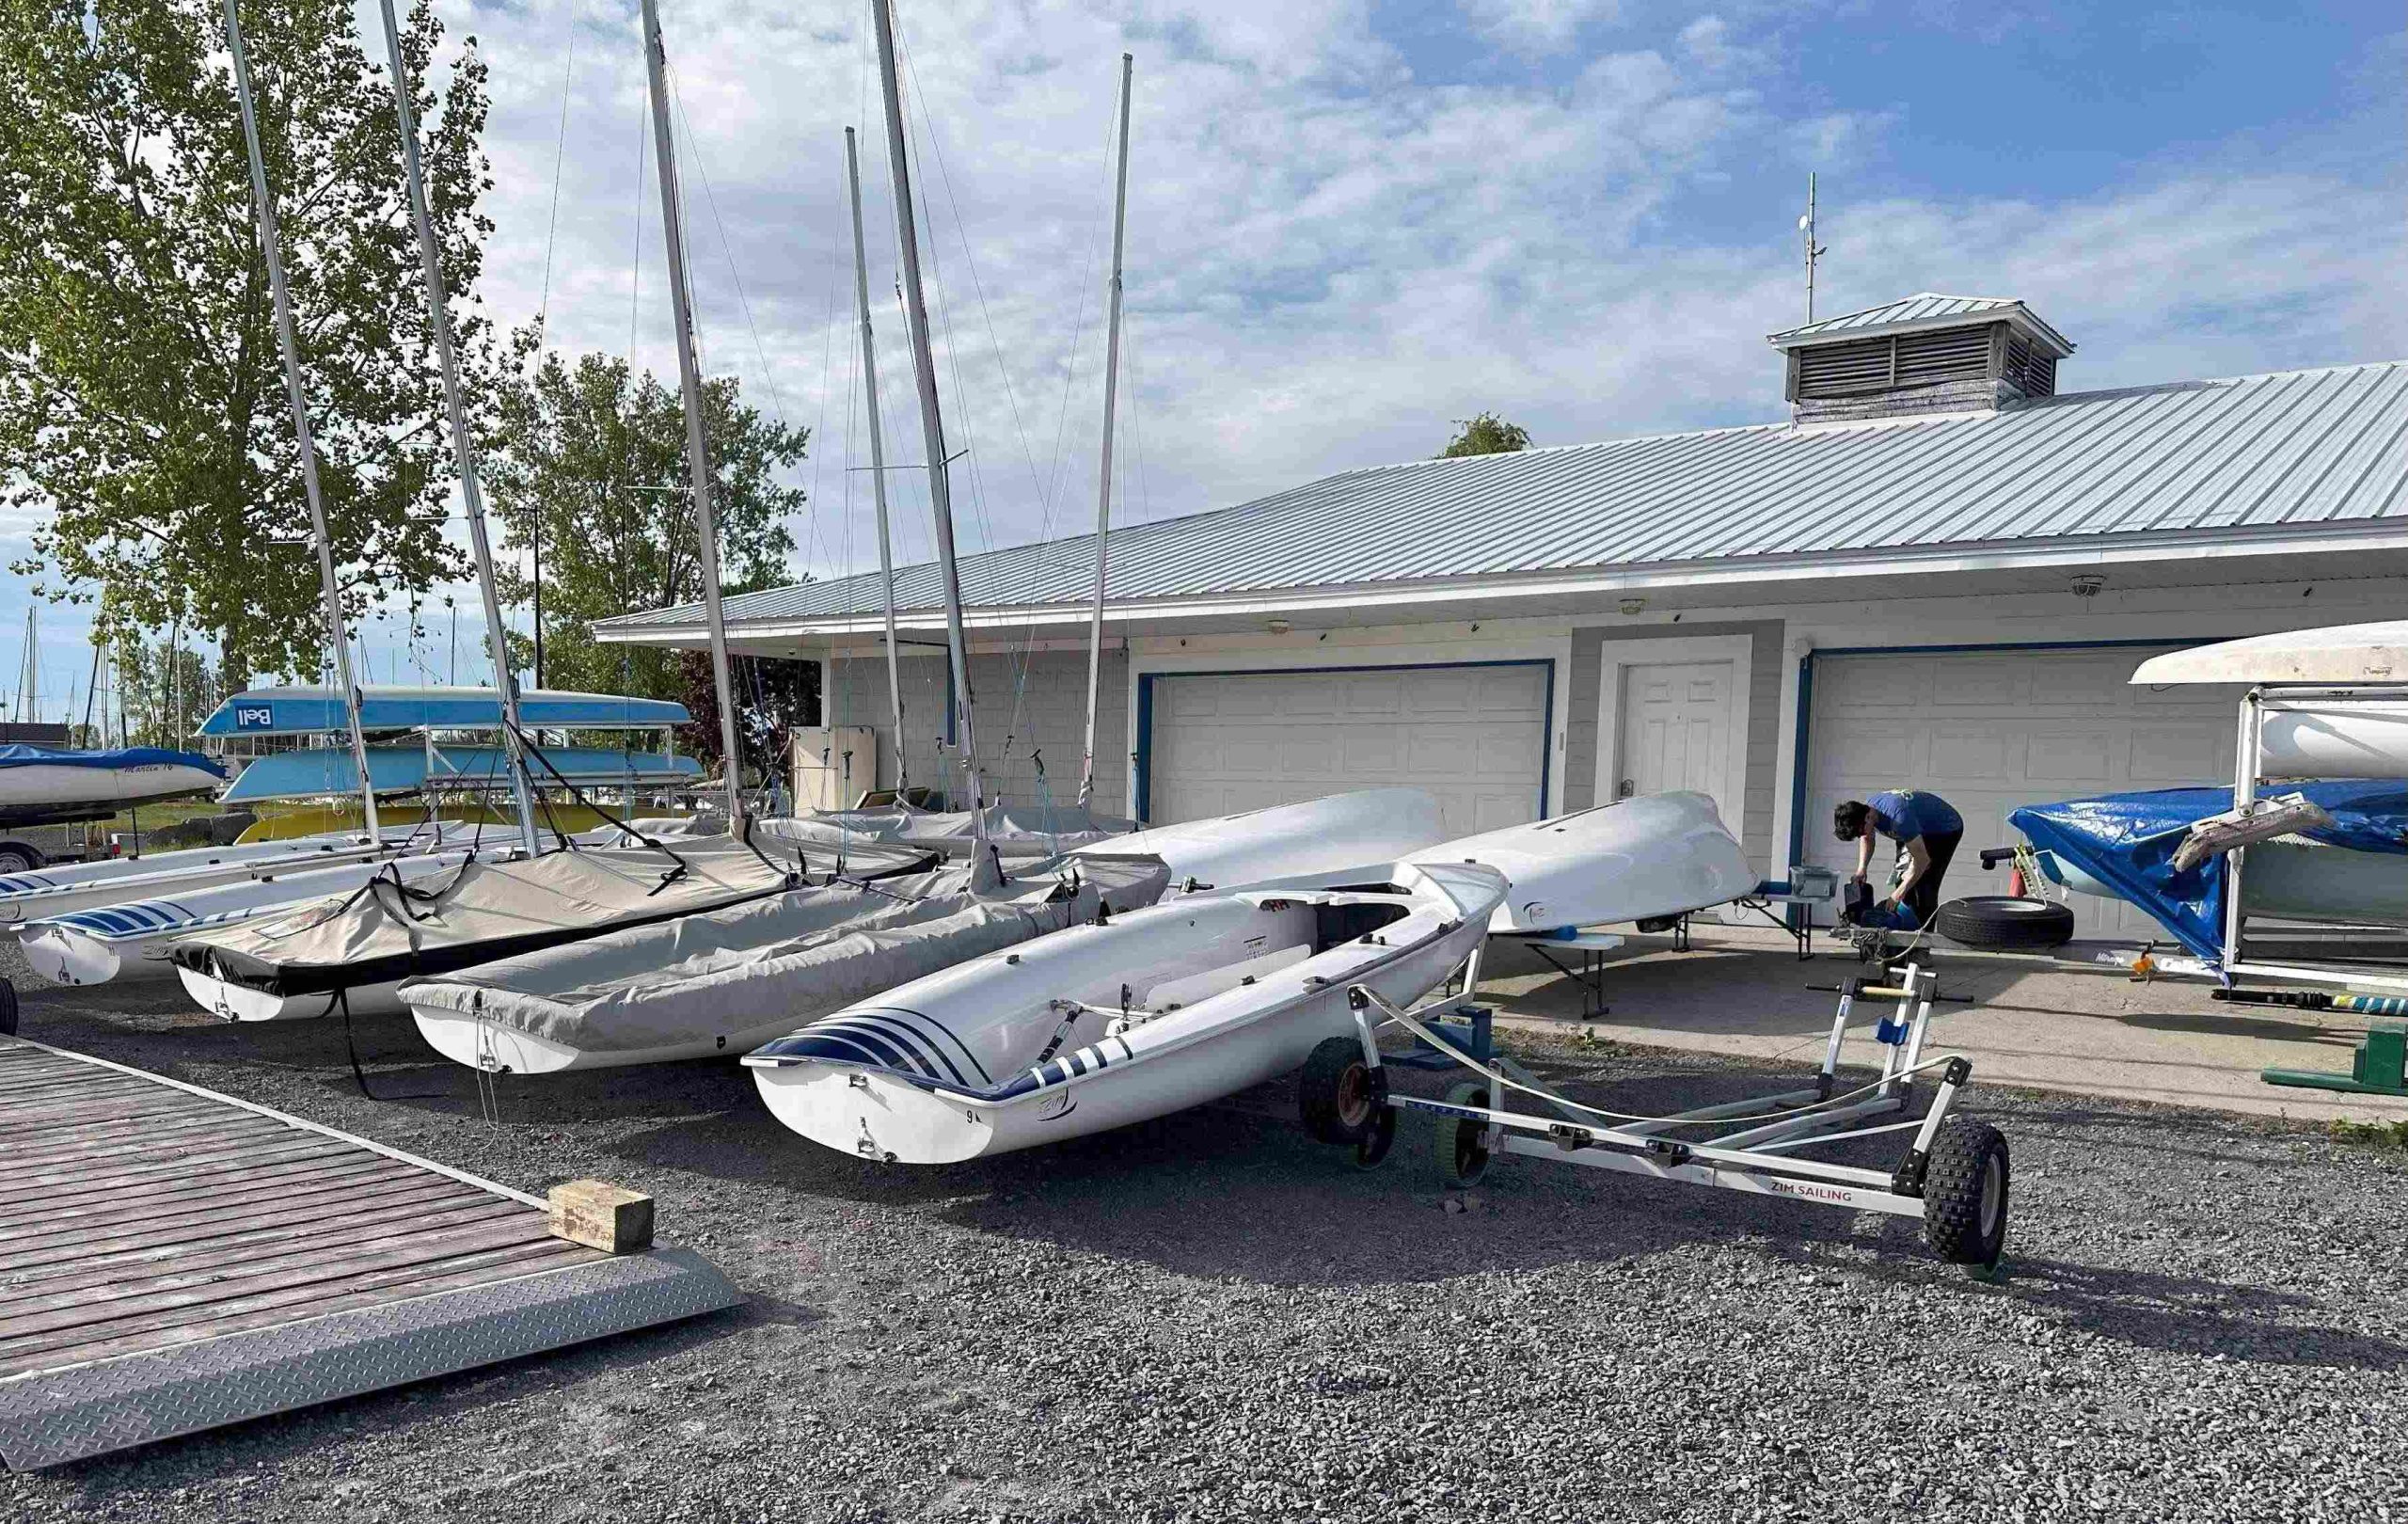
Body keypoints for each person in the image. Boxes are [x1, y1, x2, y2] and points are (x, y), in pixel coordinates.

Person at [1834, 790, 1964, 931]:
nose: (1861, 836)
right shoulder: (1867, 812)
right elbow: (1867, 838)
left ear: (1868, 817)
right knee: (1902, 879)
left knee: (1924, 886)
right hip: (1914, 828)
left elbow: (1922, 860)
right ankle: (1903, 934)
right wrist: (1861, 869)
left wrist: (1899, 893)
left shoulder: (1899, 819)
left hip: (1943, 829)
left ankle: (1922, 944)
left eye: (1860, 832)